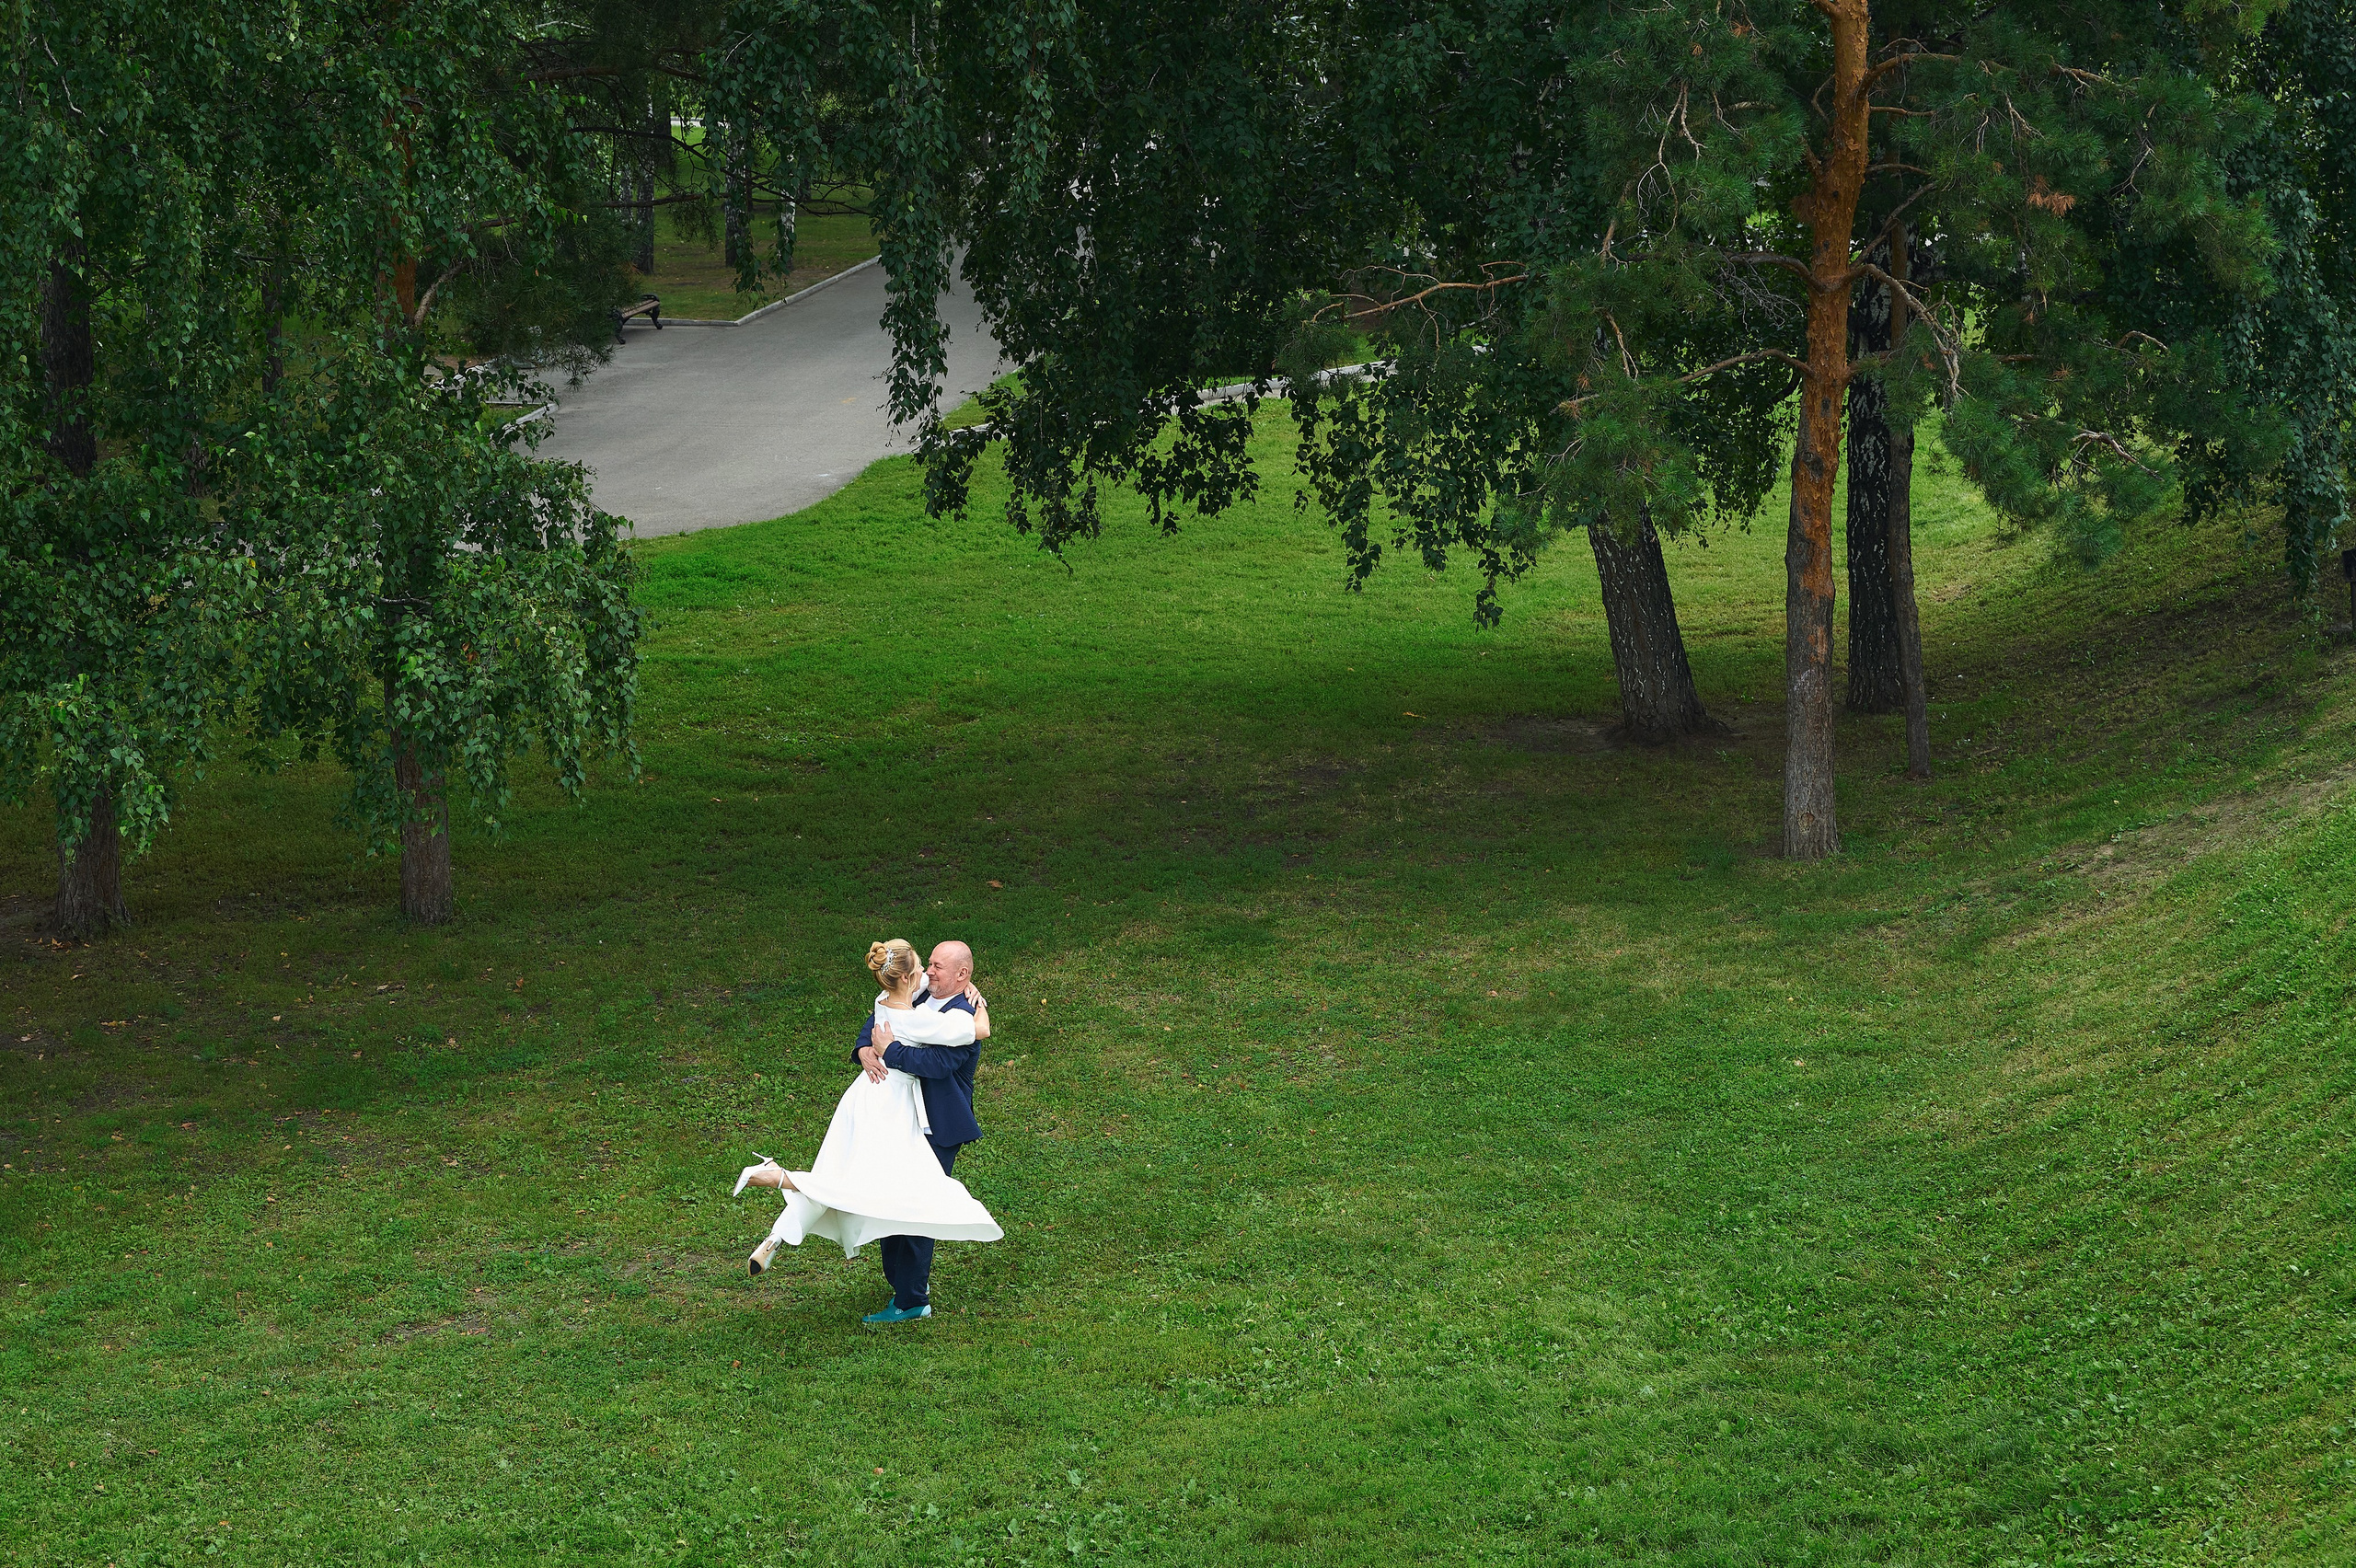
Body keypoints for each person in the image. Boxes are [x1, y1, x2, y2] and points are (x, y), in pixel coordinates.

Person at [731, 940, 999, 1326]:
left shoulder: (963, 1010)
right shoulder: (919, 990)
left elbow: (939, 1063)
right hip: (892, 1116)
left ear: (964, 975)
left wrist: (889, 1051)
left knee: (915, 1208)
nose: (930, 972)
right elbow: (878, 1018)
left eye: (940, 967)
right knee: (879, 1197)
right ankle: (902, 1286)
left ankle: (911, 1298)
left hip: (933, 1126)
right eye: (930, 964)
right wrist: (864, 1050)